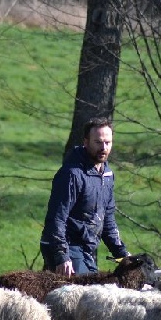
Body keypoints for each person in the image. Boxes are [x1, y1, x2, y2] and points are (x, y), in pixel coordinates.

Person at [40, 117, 130, 277]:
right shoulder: (71, 174)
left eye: (108, 143)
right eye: (98, 142)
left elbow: (107, 219)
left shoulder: (107, 175)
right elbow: (56, 218)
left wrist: (122, 255)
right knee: (82, 296)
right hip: (65, 246)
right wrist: (61, 255)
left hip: (86, 249)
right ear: (86, 142)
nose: (104, 147)